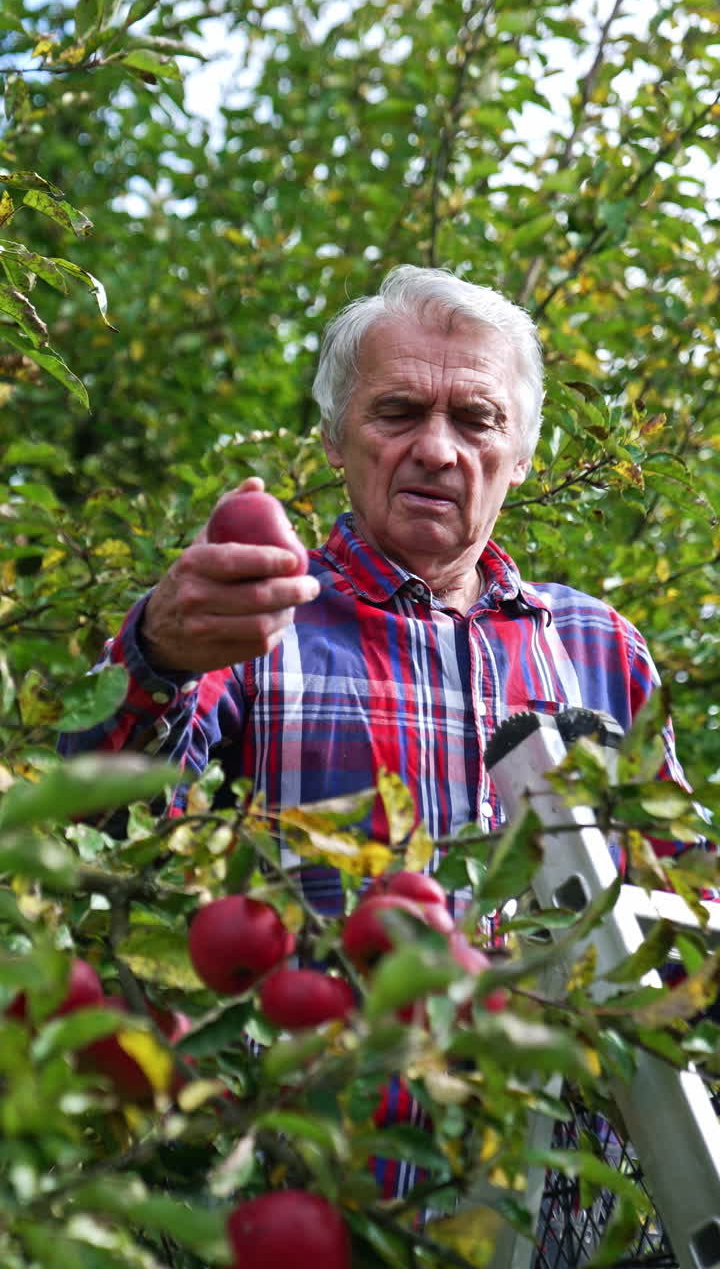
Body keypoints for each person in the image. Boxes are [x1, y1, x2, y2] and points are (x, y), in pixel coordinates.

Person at [59, 264, 689, 1197]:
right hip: (318, 1189)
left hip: (564, 1205)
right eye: (398, 412)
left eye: (476, 419)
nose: (437, 448)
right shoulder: (255, 623)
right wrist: (157, 652)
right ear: (334, 437)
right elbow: (100, 827)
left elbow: (682, 904)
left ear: (521, 455)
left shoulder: (599, 647)